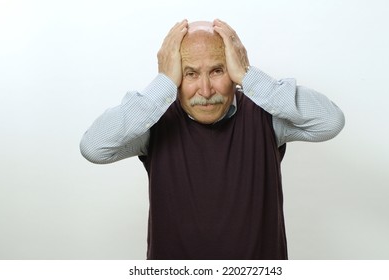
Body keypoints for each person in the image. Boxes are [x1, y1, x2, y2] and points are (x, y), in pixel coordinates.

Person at [80, 19, 345, 260]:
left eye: (217, 71)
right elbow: (94, 148)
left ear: (233, 69)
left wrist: (250, 75)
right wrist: (163, 85)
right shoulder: (154, 121)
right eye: (190, 73)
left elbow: (330, 121)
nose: (205, 91)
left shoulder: (266, 115)